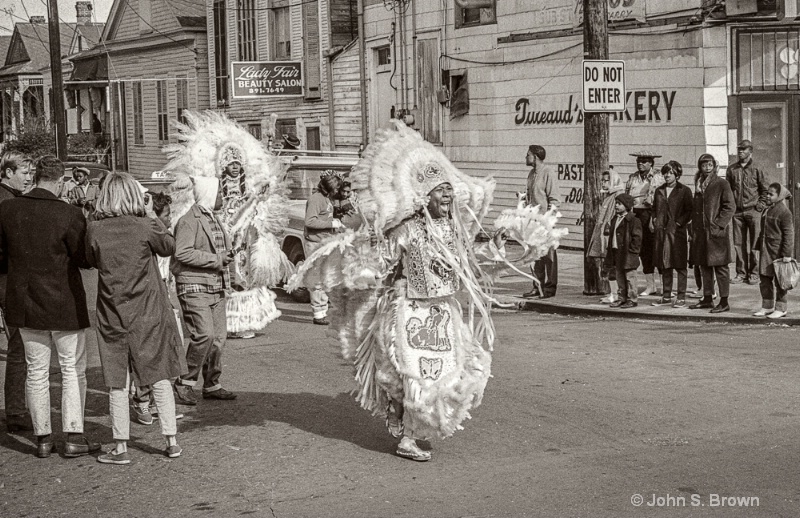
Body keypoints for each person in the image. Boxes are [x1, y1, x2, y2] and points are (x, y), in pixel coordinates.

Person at [287, 120, 566, 461]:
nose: (448, 196)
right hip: (409, 309)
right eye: (441, 191)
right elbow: (383, 260)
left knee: (446, 373)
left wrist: (500, 243)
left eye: (450, 190)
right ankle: (407, 436)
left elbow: (471, 260)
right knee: (412, 374)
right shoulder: (407, 229)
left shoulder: (454, 229)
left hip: (443, 310)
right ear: (426, 196)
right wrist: (359, 266)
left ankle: (409, 427)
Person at [0, 155, 99, 458]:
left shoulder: (7, 210)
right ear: (59, 181)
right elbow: (84, 259)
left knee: (36, 371)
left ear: (35, 176)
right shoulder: (70, 214)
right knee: (72, 370)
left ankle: (42, 437)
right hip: (63, 299)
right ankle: (73, 434)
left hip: (26, 299)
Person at [86, 173, 183, 464]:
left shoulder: (95, 229)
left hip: (112, 311)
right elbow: (168, 246)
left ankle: (120, 446)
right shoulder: (145, 225)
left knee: (118, 380)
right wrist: (153, 214)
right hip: (149, 310)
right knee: (159, 376)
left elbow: (90, 260)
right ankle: (171, 441)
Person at [172, 177, 238, 405]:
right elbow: (182, 253)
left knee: (218, 338)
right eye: (220, 192)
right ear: (209, 194)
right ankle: (184, 383)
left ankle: (212, 384)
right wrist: (216, 259)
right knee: (204, 335)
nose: (223, 196)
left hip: (215, 285)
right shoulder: (189, 220)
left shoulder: (213, 218)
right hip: (194, 285)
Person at [0, 152, 34, 433]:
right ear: (9, 172)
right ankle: (16, 410)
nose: (28, 177)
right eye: (24, 172)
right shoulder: (8, 203)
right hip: (7, 278)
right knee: (19, 343)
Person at [689, 154, 735, 313]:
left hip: (716, 234)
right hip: (701, 233)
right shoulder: (698, 183)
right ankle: (707, 298)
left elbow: (730, 207)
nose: (707, 167)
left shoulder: (722, 183)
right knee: (704, 266)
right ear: (700, 167)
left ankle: (724, 301)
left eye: (710, 164)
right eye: (704, 165)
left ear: (714, 166)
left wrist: (718, 225)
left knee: (721, 268)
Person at [651, 161, 693, 308]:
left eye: (670, 173)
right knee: (665, 264)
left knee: (680, 265)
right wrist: (654, 220)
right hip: (661, 233)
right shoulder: (659, 191)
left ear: (677, 174)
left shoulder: (685, 190)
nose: (667, 175)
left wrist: (679, 223)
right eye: (665, 173)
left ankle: (681, 297)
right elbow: (654, 209)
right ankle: (666, 295)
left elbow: (689, 211)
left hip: (677, 234)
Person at [726, 139, 769, 285]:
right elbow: (728, 191)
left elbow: (765, 189)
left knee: (755, 243)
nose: (740, 152)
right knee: (738, 243)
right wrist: (731, 207)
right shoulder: (732, 169)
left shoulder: (758, 168)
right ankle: (741, 273)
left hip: (754, 211)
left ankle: (754, 273)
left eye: (743, 149)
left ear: (750, 151)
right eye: (739, 149)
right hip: (737, 212)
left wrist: (760, 205)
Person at [303, 171, 343, 325]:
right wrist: (331, 223)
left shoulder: (325, 199)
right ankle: (318, 313)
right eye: (336, 188)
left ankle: (323, 310)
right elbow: (310, 222)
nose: (337, 191)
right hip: (315, 244)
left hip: (324, 242)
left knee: (326, 278)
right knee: (317, 279)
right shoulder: (316, 199)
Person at [522, 144, 560, 299]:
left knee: (549, 255)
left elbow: (555, 199)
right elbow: (530, 196)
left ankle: (550, 288)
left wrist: (550, 219)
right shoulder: (531, 174)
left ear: (535, 157)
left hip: (546, 221)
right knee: (535, 255)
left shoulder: (548, 173)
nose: (526, 157)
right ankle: (538, 286)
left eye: (528, 155)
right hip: (533, 221)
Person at [625, 151, 664, 296]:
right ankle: (650, 285)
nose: (640, 164)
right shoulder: (633, 177)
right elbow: (627, 195)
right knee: (643, 250)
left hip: (651, 213)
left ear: (651, 163)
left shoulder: (658, 177)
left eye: (644, 161)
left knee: (657, 249)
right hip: (637, 213)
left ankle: (664, 285)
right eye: (638, 161)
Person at [753, 183, 794, 318]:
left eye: (771, 194)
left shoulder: (784, 212)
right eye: (767, 193)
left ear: (779, 196)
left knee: (780, 281)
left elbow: (789, 235)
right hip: (766, 251)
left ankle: (781, 308)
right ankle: (767, 306)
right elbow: (762, 232)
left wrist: (787, 255)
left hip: (777, 252)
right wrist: (758, 247)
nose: (768, 196)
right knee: (765, 278)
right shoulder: (767, 209)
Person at [587, 168, 624, 304]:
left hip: (611, 237)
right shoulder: (609, 196)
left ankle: (616, 293)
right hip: (604, 234)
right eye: (602, 180)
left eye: (606, 180)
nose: (602, 183)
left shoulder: (618, 196)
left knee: (612, 266)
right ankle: (612, 292)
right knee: (607, 265)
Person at [605, 193, 641, 309]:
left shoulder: (633, 220)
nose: (616, 206)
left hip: (628, 254)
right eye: (616, 203)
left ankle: (632, 298)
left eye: (619, 204)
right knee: (620, 277)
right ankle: (622, 298)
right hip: (617, 252)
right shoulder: (615, 219)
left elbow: (637, 237)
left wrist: (633, 251)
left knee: (630, 277)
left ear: (627, 206)